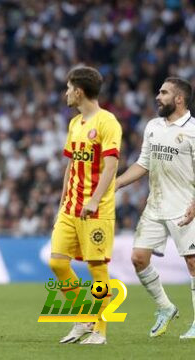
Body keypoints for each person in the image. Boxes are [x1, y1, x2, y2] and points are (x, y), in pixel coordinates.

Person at [116, 77, 195, 339]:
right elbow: (143, 163)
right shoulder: (153, 126)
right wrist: (117, 183)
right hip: (156, 205)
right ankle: (165, 307)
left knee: (193, 263)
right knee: (138, 258)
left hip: (186, 207)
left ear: (179, 99)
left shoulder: (193, 130)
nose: (158, 97)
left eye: (164, 93)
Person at [49, 66, 122, 345]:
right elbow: (71, 165)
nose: (66, 93)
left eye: (68, 88)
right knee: (57, 262)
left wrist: (93, 200)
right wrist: (62, 201)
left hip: (97, 209)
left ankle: (100, 330)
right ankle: (83, 315)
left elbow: (111, 165)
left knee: (96, 268)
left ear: (79, 91)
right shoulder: (75, 123)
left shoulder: (108, 122)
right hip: (70, 208)